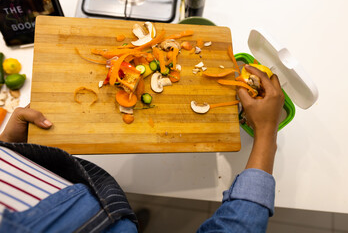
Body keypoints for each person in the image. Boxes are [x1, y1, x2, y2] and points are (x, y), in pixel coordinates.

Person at [0, 64, 284, 232]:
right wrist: (266, 132)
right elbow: (237, 227)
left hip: (94, 193)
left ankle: (127, 213)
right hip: (104, 217)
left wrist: (12, 150)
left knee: (126, 211)